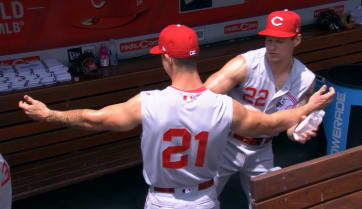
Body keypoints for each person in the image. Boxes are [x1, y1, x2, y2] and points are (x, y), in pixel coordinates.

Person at [18, 24, 334, 209]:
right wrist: (306, 109)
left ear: (167, 58)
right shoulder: (225, 106)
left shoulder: (149, 103)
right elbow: (271, 123)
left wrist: (50, 114)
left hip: (162, 202)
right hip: (204, 199)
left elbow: (93, 118)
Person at [204, 10, 322, 207]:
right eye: (269, 40)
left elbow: (292, 126)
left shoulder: (306, 79)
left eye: (280, 41)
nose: (272, 47)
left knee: (267, 203)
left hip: (262, 148)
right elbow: (203, 98)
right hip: (225, 143)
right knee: (202, 201)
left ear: (297, 40)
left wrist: (299, 132)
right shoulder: (245, 64)